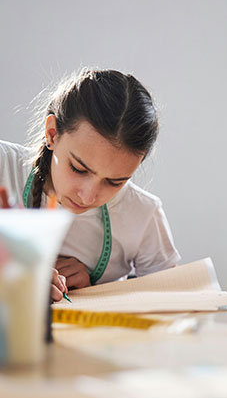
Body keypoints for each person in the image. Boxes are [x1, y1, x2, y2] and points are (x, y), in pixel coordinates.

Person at [0, 68, 180, 302]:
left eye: (115, 182)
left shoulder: (143, 214)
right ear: (52, 133)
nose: (88, 197)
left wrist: (95, 288)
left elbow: (174, 303)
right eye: (78, 168)